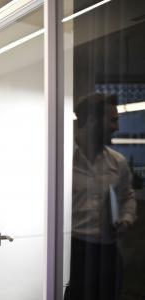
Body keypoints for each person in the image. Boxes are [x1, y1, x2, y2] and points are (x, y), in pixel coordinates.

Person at [65, 93, 137, 300]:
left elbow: (127, 197)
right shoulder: (62, 160)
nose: (117, 127)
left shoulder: (118, 162)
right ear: (92, 120)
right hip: (74, 251)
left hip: (108, 252)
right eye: (113, 120)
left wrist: (126, 219)